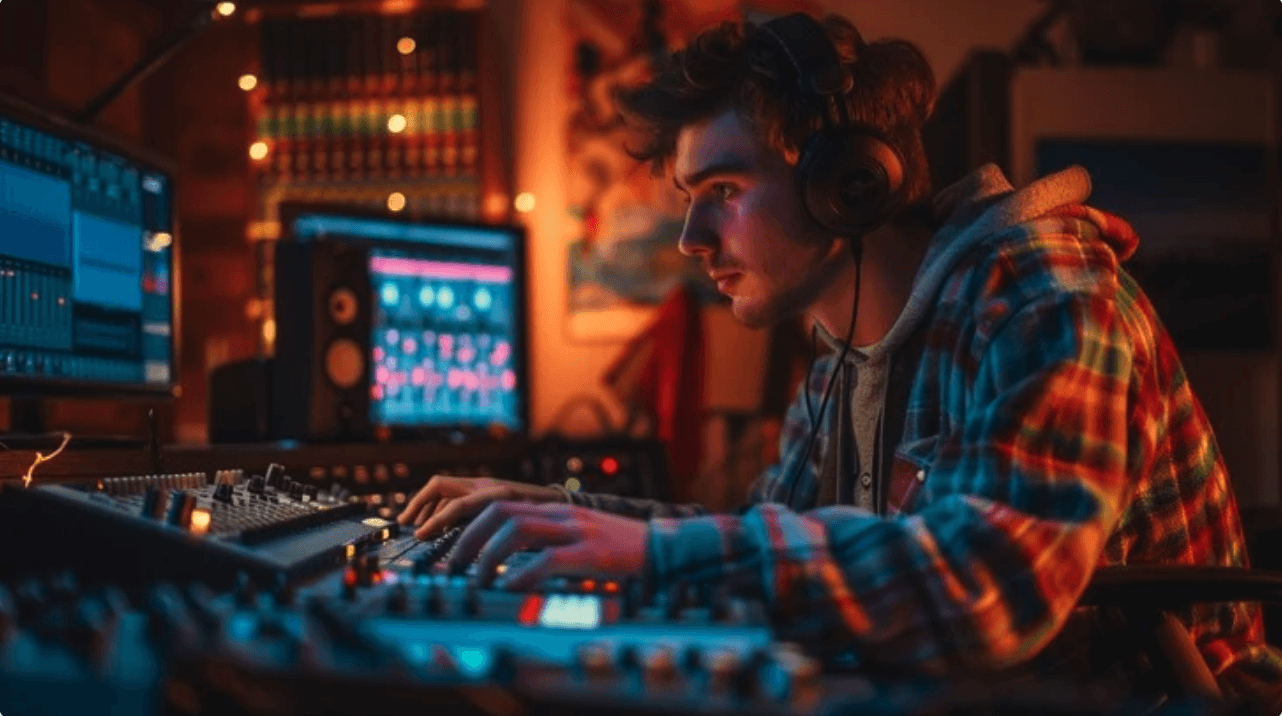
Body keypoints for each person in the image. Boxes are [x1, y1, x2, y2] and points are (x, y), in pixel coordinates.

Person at [398, 10, 1282, 703]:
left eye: (723, 191)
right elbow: (757, 543)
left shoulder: (1044, 296)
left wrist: (655, 557)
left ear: (848, 185)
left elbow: (995, 587)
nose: (691, 238)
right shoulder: (843, 348)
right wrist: (561, 513)